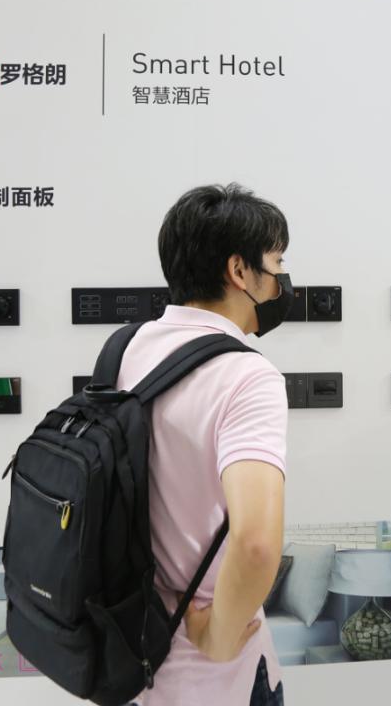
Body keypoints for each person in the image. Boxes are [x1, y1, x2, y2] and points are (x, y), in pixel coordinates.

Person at [118, 184, 289, 706]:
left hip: (132, 653)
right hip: (216, 678)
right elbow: (256, 543)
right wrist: (217, 637)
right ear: (240, 271)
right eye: (277, 264)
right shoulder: (246, 376)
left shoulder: (126, 349)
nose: (281, 281)